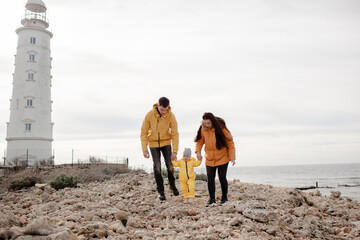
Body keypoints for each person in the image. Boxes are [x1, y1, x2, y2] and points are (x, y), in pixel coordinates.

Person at [140, 97, 179, 200]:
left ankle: (172, 185)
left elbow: (175, 133)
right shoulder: (149, 115)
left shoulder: (170, 115)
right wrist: (144, 149)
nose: (163, 112)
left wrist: (175, 151)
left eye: (165, 110)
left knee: (170, 166)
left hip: (166, 142)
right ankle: (161, 192)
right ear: (158, 105)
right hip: (153, 144)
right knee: (157, 167)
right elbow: (143, 132)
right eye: (162, 109)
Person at [195, 112, 236, 206]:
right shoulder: (203, 129)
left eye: (208, 123)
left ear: (212, 121)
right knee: (210, 179)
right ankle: (212, 200)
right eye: (205, 123)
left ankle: (224, 199)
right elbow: (199, 141)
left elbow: (230, 143)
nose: (207, 125)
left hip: (222, 157)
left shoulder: (221, 128)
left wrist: (232, 157)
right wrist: (198, 152)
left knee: (222, 177)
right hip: (209, 158)